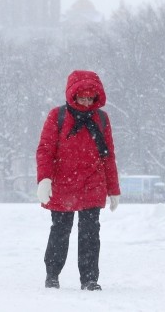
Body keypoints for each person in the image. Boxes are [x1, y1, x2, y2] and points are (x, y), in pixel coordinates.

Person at [35, 70, 121, 291]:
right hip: (63, 182)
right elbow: (45, 150)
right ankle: (52, 274)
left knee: (91, 232)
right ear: (72, 95)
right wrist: (44, 179)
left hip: (93, 183)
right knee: (60, 230)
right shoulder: (58, 116)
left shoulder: (101, 119)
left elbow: (108, 154)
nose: (86, 101)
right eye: (82, 96)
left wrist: (113, 189)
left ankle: (90, 279)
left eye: (90, 97)